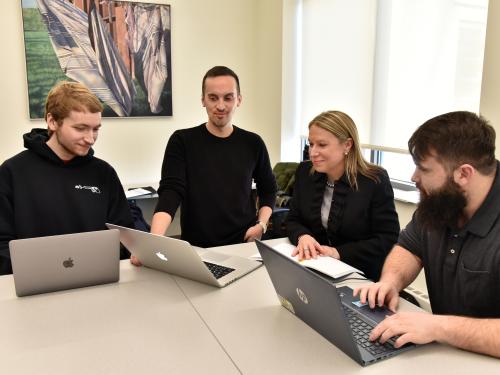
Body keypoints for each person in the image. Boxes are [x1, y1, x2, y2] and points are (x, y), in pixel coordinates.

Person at [354, 111, 500, 358]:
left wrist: (437, 326)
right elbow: (410, 247)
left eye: (423, 169)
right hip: (445, 352)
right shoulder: (442, 202)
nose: (414, 177)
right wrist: (390, 281)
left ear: (464, 174)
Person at [0, 81, 133, 275]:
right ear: (52, 121)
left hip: (96, 281)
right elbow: (2, 243)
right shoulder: (12, 172)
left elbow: (125, 233)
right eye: (80, 128)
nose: (90, 138)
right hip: (34, 285)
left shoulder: (104, 173)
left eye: (96, 129)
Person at [148, 66, 276, 248]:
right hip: (198, 248)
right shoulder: (182, 141)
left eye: (228, 98)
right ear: (203, 100)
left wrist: (261, 225)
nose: (221, 106)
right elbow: (171, 192)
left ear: (238, 100)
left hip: (243, 245)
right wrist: (154, 241)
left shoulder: (253, 143)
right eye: (213, 98)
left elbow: (268, 189)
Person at [286, 110, 400, 281]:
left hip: (360, 275)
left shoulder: (374, 180)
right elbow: (293, 219)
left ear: (347, 145)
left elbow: (387, 238)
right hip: (315, 269)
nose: (313, 152)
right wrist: (303, 236)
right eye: (311, 144)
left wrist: (338, 253)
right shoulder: (305, 172)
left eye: (322, 145)